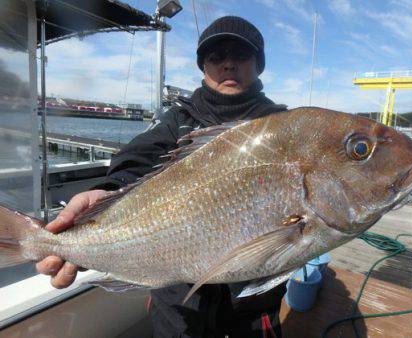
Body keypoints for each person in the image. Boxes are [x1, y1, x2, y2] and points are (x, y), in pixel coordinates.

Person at [36, 16, 288, 337]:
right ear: (203, 67)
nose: (228, 64)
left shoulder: (280, 126)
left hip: (251, 306)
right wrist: (108, 193)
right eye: (216, 56)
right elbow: (134, 162)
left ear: (258, 65)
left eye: (241, 54)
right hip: (176, 301)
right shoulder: (178, 120)